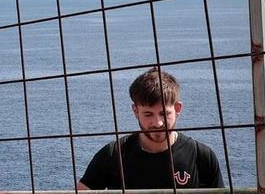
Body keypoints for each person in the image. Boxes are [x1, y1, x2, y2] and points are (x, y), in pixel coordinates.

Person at [77, 67, 224, 190]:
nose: (158, 122)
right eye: (148, 114)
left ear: (177, 108)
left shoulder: (201, 157)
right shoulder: (114, 154)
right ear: (136, 111)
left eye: (164, 113)